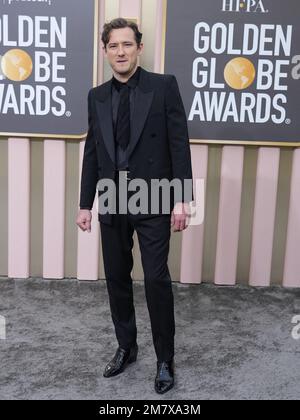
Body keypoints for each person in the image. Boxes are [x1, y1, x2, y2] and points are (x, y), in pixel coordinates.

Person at [76, 18, 193, 394]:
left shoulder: (163, 87)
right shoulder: (96, 96)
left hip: (155, 193)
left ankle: (164, 359)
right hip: (112, 196)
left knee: (156, 279)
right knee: (116, 279)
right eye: (114, 46)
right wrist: (84, 204)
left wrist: (182, 198)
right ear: (106, 50)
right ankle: (127, 346)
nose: (121, 52)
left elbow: (179, 144)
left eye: (128, 44)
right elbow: (93, 152)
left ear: (139, 48)